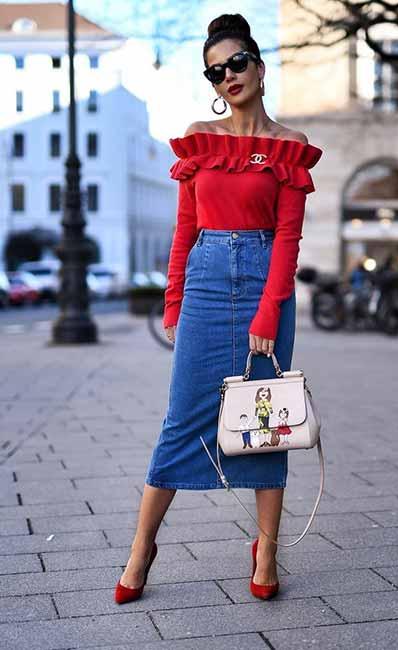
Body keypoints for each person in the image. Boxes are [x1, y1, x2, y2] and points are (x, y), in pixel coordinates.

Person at [115, 12, 322, 605]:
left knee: (267, 422)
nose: (226, 77)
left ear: (258, 66)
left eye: (235, 63)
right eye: (214, 72)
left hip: (264, 280)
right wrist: (173, 301)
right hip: (205, 280)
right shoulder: (199, 143)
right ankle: (141, 549)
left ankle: (267, 550)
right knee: (182, 417)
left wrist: (267, 312)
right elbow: (185, 229)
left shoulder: (290, 147)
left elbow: (288, 239)